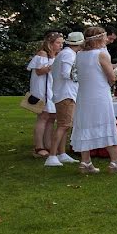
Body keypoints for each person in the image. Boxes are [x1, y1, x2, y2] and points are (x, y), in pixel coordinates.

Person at [71, 26, 117, 174]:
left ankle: (85, 162)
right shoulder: (101, 54)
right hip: (99, 95)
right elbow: (111, 77)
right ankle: (115, 162)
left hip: (83, 95)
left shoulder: (80, 54)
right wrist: (115, 77)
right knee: (106, 125)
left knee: (85, 125)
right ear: (99, 38)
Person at [45, 32, 84, 167]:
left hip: (66, 93)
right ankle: (52, 155)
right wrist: (83, 75)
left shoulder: (68, 53)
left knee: (66, 124)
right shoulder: (68, 54)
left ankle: (61, 153)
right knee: (63, 125)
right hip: (65, 94)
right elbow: (66, 73)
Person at [27, 32, 62, 158]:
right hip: (42, 90)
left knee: (52, 117)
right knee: (43, 116)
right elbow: (39, 71)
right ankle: (39, 146)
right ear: (50, 43)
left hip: (51, 90)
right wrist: (53, 66)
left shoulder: (56, 55)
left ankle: (48, 145)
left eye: (61, 43)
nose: (60, 45)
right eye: (58, 43)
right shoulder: (43, 54)